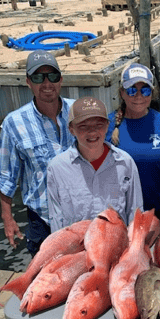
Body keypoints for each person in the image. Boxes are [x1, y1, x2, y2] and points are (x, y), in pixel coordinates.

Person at [0, 50, 75, 256]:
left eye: (52, 76)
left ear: (61, 80)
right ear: (28, 82)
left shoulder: (78, 111)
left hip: (80, 215)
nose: (47, 83)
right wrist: (7, 218)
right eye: (38, 77)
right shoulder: (13, 123)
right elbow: (6, 175)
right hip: (42, 219)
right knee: (45, 281)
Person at [47, 97, 143, 232]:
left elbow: (135, 213)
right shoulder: (56, 168)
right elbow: (56, 219)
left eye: (99, 125)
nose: (92, 132)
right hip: (78, 250)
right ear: (71, 129)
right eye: (83, 126)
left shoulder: (125, 163)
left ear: (107, 126)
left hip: (117, 248)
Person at [105, 63, 160, 221]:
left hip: (156, 209)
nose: (139, 96)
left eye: (145, 90)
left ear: (152, 92)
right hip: (120, 212)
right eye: (131, 90)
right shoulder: (107, 125)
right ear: (122, 92)